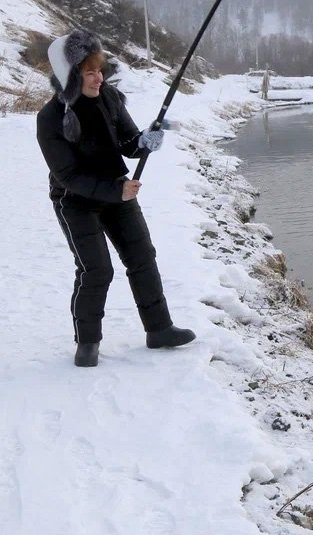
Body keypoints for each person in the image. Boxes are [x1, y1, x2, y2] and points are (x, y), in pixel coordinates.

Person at [37, 30, 195, 367]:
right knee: (96, 269)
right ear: (69, 76)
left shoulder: (108, 97)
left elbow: (128, 143)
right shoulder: (49, 118)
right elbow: (68, 176)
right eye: (89, 72)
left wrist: (146, 139)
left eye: (100, 70)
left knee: (142, 256)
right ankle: (87, 343)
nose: (99, 78)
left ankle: (159, 329)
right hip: (73, 200)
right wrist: (116, 191)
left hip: (116, 190)